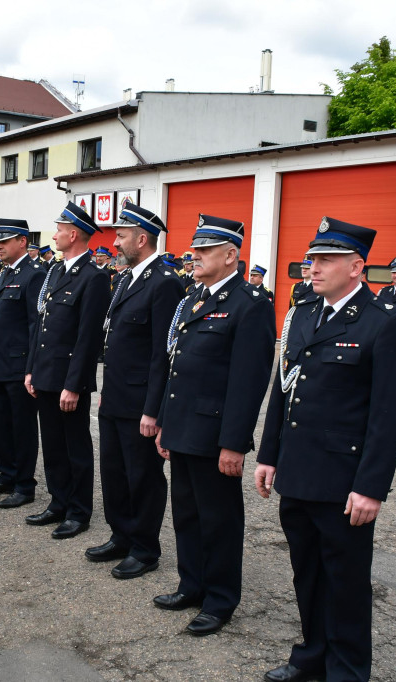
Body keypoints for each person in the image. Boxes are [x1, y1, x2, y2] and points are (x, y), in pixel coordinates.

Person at [255, 216, 396, 682]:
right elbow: (283, 391)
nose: (313, 267)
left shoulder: (385, 323)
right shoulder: (303, 311)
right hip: (298, 471)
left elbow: (389, 417)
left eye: (326, 259)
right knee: (307, 572)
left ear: (357, 266)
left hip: (343, 480)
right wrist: (268, 454)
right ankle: (311, 657)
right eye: (312, 258)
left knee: (344, 582)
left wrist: (371, 487)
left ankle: (346, 670)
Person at [153, 214, 276, 637]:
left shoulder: (251, 304)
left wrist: (234, 444)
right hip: (183, 427)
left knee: (219, 520)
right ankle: (192, 584)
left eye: (204, 250)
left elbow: (248, 382)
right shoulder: (192, 298)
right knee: (186, 514)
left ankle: (220, 600)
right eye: (194, 249)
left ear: (231, 255)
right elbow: (177, 370)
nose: (194, 256)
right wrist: (167, 425)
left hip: (215, 435)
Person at [87, 203, 184, 580]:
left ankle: (144, 549)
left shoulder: (165, 282)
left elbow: (164, 353)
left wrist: (153, 409)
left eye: (122, 235)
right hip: (116, 396)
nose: (115, 241)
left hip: (141, 401)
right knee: (114, 471)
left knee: (142, 475)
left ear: (142, 239)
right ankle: (121, 535)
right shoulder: (127, 278)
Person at [24, 201, 110, 539]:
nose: (54, 235)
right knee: (53, 445)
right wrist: (31, 370)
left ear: (73, 234)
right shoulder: (56, 271)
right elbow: (41, 325)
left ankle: (78, 511)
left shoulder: (94, 276)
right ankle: (58, 502)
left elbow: (88, 338)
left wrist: (74, 385)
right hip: (46, 374)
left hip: (68, 381)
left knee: (75, 447)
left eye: (59, 230)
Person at [0, 219, 46, 508]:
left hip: (18, 364)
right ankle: (6, 474)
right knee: (1, 424)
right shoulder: (3, 273)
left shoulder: (34, 274)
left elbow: (36, 325)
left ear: (22, 241)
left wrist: (31, 367)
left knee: (21, 427)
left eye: (5, 240)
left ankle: (24, 484)